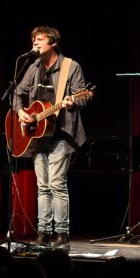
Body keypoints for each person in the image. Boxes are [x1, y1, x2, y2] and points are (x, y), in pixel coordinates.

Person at [13, 26, 87, 250]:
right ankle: (44, 233)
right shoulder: (34, 66)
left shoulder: (70, 67)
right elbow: (17, 92)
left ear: (53, 43)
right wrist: (20, 112)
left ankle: (62, 234)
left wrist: (73, 101)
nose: (34, 44)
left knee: (57, 184)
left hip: (62, 133)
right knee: (42, 186)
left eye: (39, 41)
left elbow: (83, 96)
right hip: (38, 133)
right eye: (33, 40)